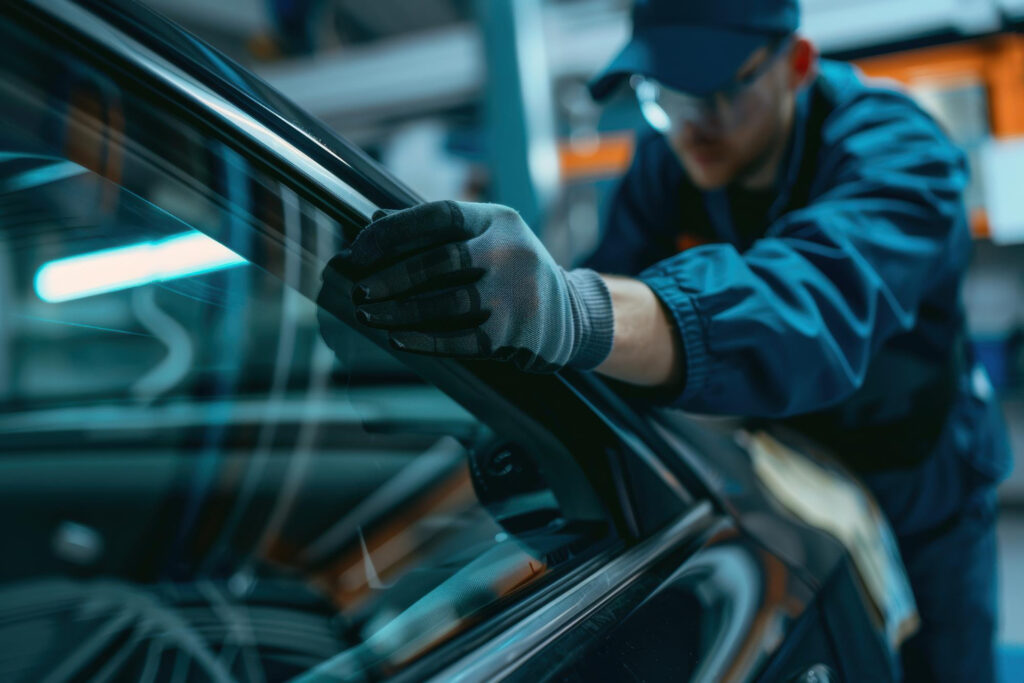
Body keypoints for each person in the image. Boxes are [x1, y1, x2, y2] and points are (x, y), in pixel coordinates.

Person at [318, 0, 1012, 679]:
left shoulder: (902, 153)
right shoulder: (668, 161)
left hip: (918, 485)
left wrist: (572, 309)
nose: (689, 127)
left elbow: (810, 298)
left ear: (795, 64)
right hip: (787, 473)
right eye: (663, 97)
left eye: (715, 95)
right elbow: (613, 301)